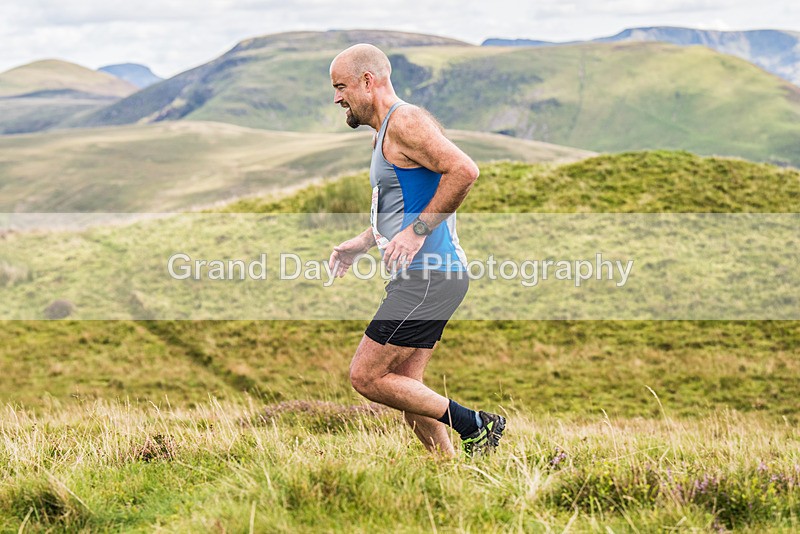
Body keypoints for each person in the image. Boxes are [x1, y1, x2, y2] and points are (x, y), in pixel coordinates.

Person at [327, 43, 505, 457]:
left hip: (429, 274)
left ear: (367, 81)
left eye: (340, 87)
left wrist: (419, 231)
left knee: (366, 377)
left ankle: (476, 424)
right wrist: (363, 242)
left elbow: (464, 170)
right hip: (430, 275)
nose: (337, 98)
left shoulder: (404, 121)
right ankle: (448, 470)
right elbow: (401, 208)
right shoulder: (385, 132)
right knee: (407, 391)